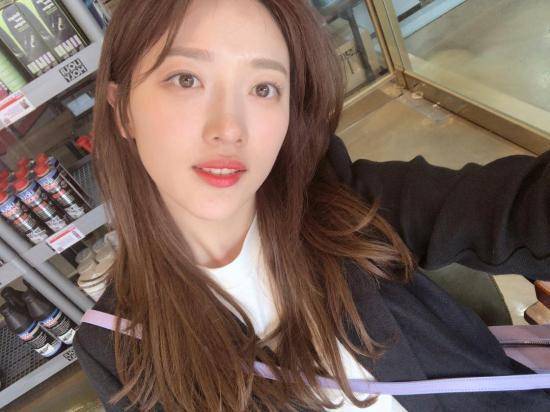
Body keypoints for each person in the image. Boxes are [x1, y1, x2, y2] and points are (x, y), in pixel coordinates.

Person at [73, 0, 550, 411]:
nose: (229, 128)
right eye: (186, 79)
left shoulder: (343, 199)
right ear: (122, 109)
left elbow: (514, 207)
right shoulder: (118, 342)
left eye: (263, 88)